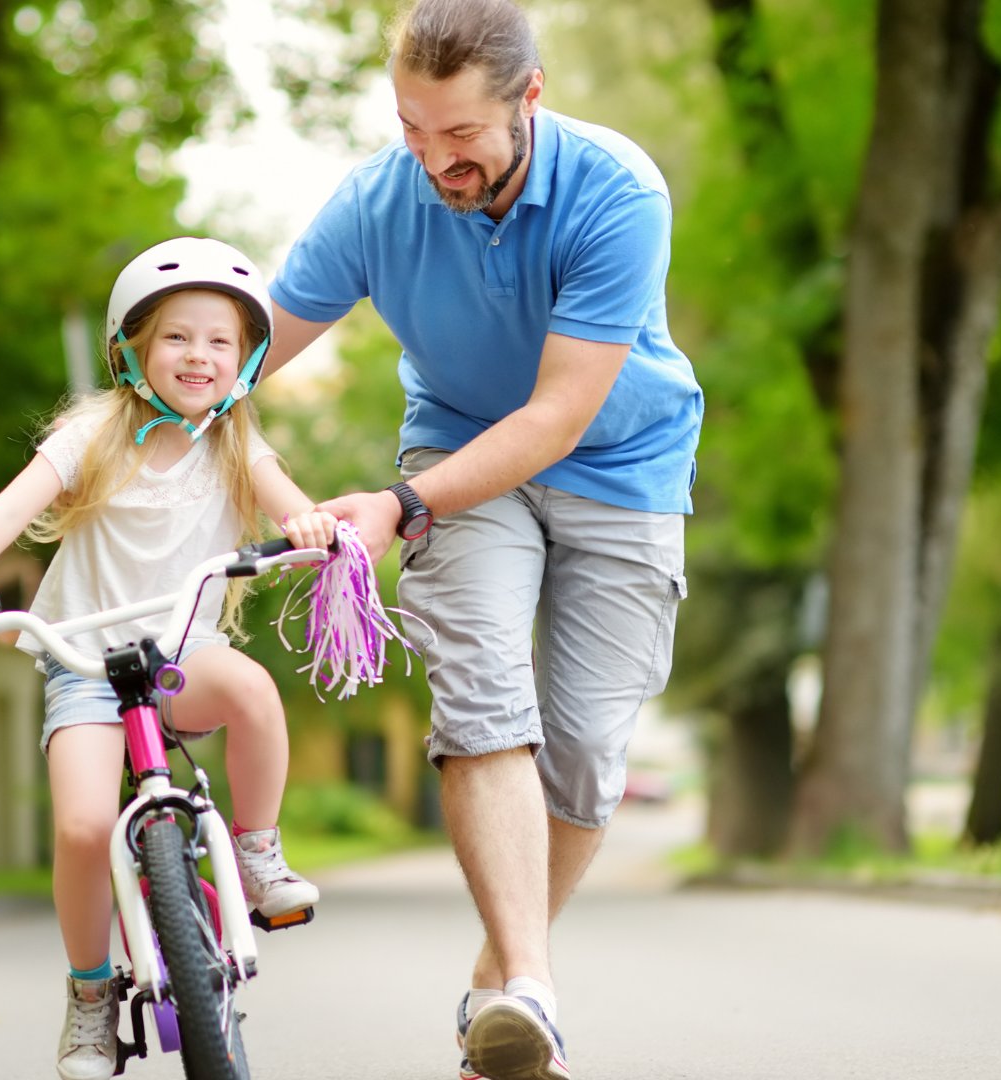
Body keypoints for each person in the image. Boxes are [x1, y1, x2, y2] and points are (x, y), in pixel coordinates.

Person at [258, 2, 704, 1078]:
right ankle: (531, 995)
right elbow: (247, 346)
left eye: (459, 134)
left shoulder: (619, 191)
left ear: (529, 97)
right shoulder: (378, 198)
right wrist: (145, 383)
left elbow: (557, 417)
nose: (434, 160)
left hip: (620, 465)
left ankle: (496, 988)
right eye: (412, 128)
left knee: (586, 753)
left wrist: (398, 508)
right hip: (457, 456)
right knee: (482, 701)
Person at [0, 236, 339, 1080]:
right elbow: (5, 513)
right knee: (81, 828)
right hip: (83, 665)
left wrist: (312, 525)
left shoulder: (235, 440)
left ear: (246, 360)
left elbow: (293, 508)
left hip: (184, 655)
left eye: (220, 341)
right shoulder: (93, 433)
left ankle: (257, 852)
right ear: (133, 348)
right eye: (177, 336)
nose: (199, 355)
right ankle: (89, 992)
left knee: (253, 690)